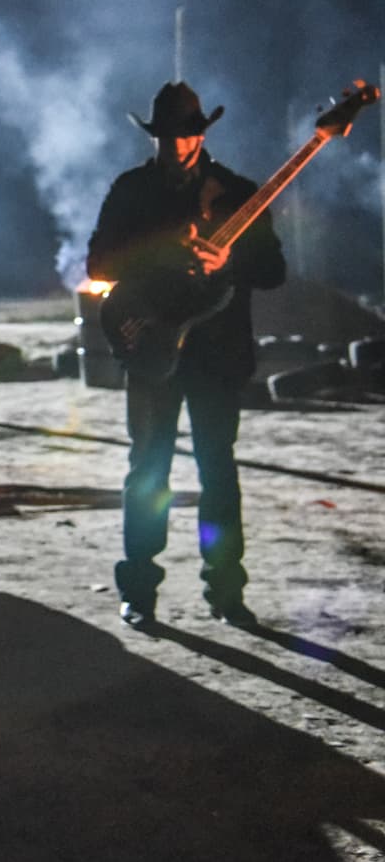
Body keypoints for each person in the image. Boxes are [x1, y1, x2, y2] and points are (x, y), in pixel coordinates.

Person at [87, 80, 286, 631]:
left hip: (217, 354)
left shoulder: (238, 193)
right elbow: (98, 263)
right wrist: (161, 251)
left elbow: (274, 271)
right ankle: (139, 593)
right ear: (154, 136)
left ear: (202, 134)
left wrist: (228, 263)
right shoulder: (131, 191)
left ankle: (226, 590)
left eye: (187, 134)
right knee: (147, 470)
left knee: (217, 471)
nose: (177, 145)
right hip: (149, 344)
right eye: (168, 136)